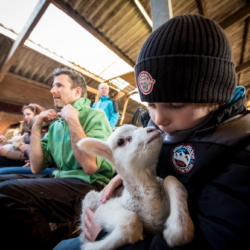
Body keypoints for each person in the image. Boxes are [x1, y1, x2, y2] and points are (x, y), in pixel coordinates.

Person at [54, 14, 250, 250]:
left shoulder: (240, 150)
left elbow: (218, 241)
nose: (158, 119)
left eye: (176, 105)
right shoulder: (164, 130)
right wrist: (129, 174)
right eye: (151, 104)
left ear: (217, 98)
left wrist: (106, 237)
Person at [0, 67, 114, 250]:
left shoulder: (95, 116)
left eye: (59, 85)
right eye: (53, 86)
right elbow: (36, 167)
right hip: (61, 179)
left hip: (90, 185)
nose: (52, 91)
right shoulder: (55, 124)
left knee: (8, 191)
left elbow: (90, 166)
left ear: (77, 91)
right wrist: (36, 127)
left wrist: (73, 120)